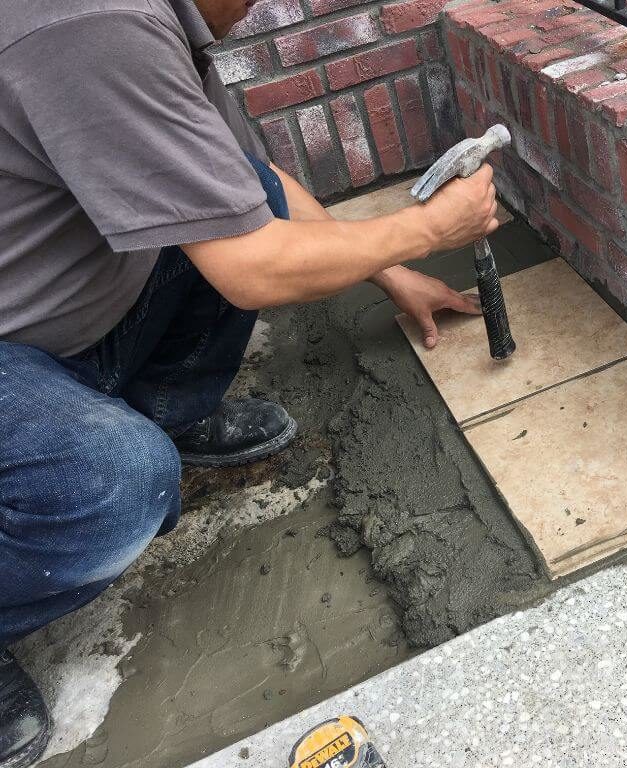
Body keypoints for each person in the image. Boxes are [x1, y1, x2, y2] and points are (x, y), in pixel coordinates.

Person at [0, 1, 500, 764]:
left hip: (46, 319)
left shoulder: (163, 22)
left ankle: (162, 415)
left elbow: (256, 186)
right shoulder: (91, 25)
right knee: (118, 483)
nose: (259, 6)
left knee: (238, 202)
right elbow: (253, 268)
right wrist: (429, 229)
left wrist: (394, 272)